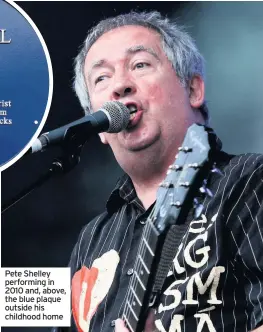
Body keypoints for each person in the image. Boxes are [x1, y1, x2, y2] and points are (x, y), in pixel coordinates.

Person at [54, 11, 263, 332]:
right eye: (101, 78)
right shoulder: (89, 240)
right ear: (97, 127)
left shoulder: (251, 180)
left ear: (193, 89)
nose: (120, 86)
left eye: (139, 65)